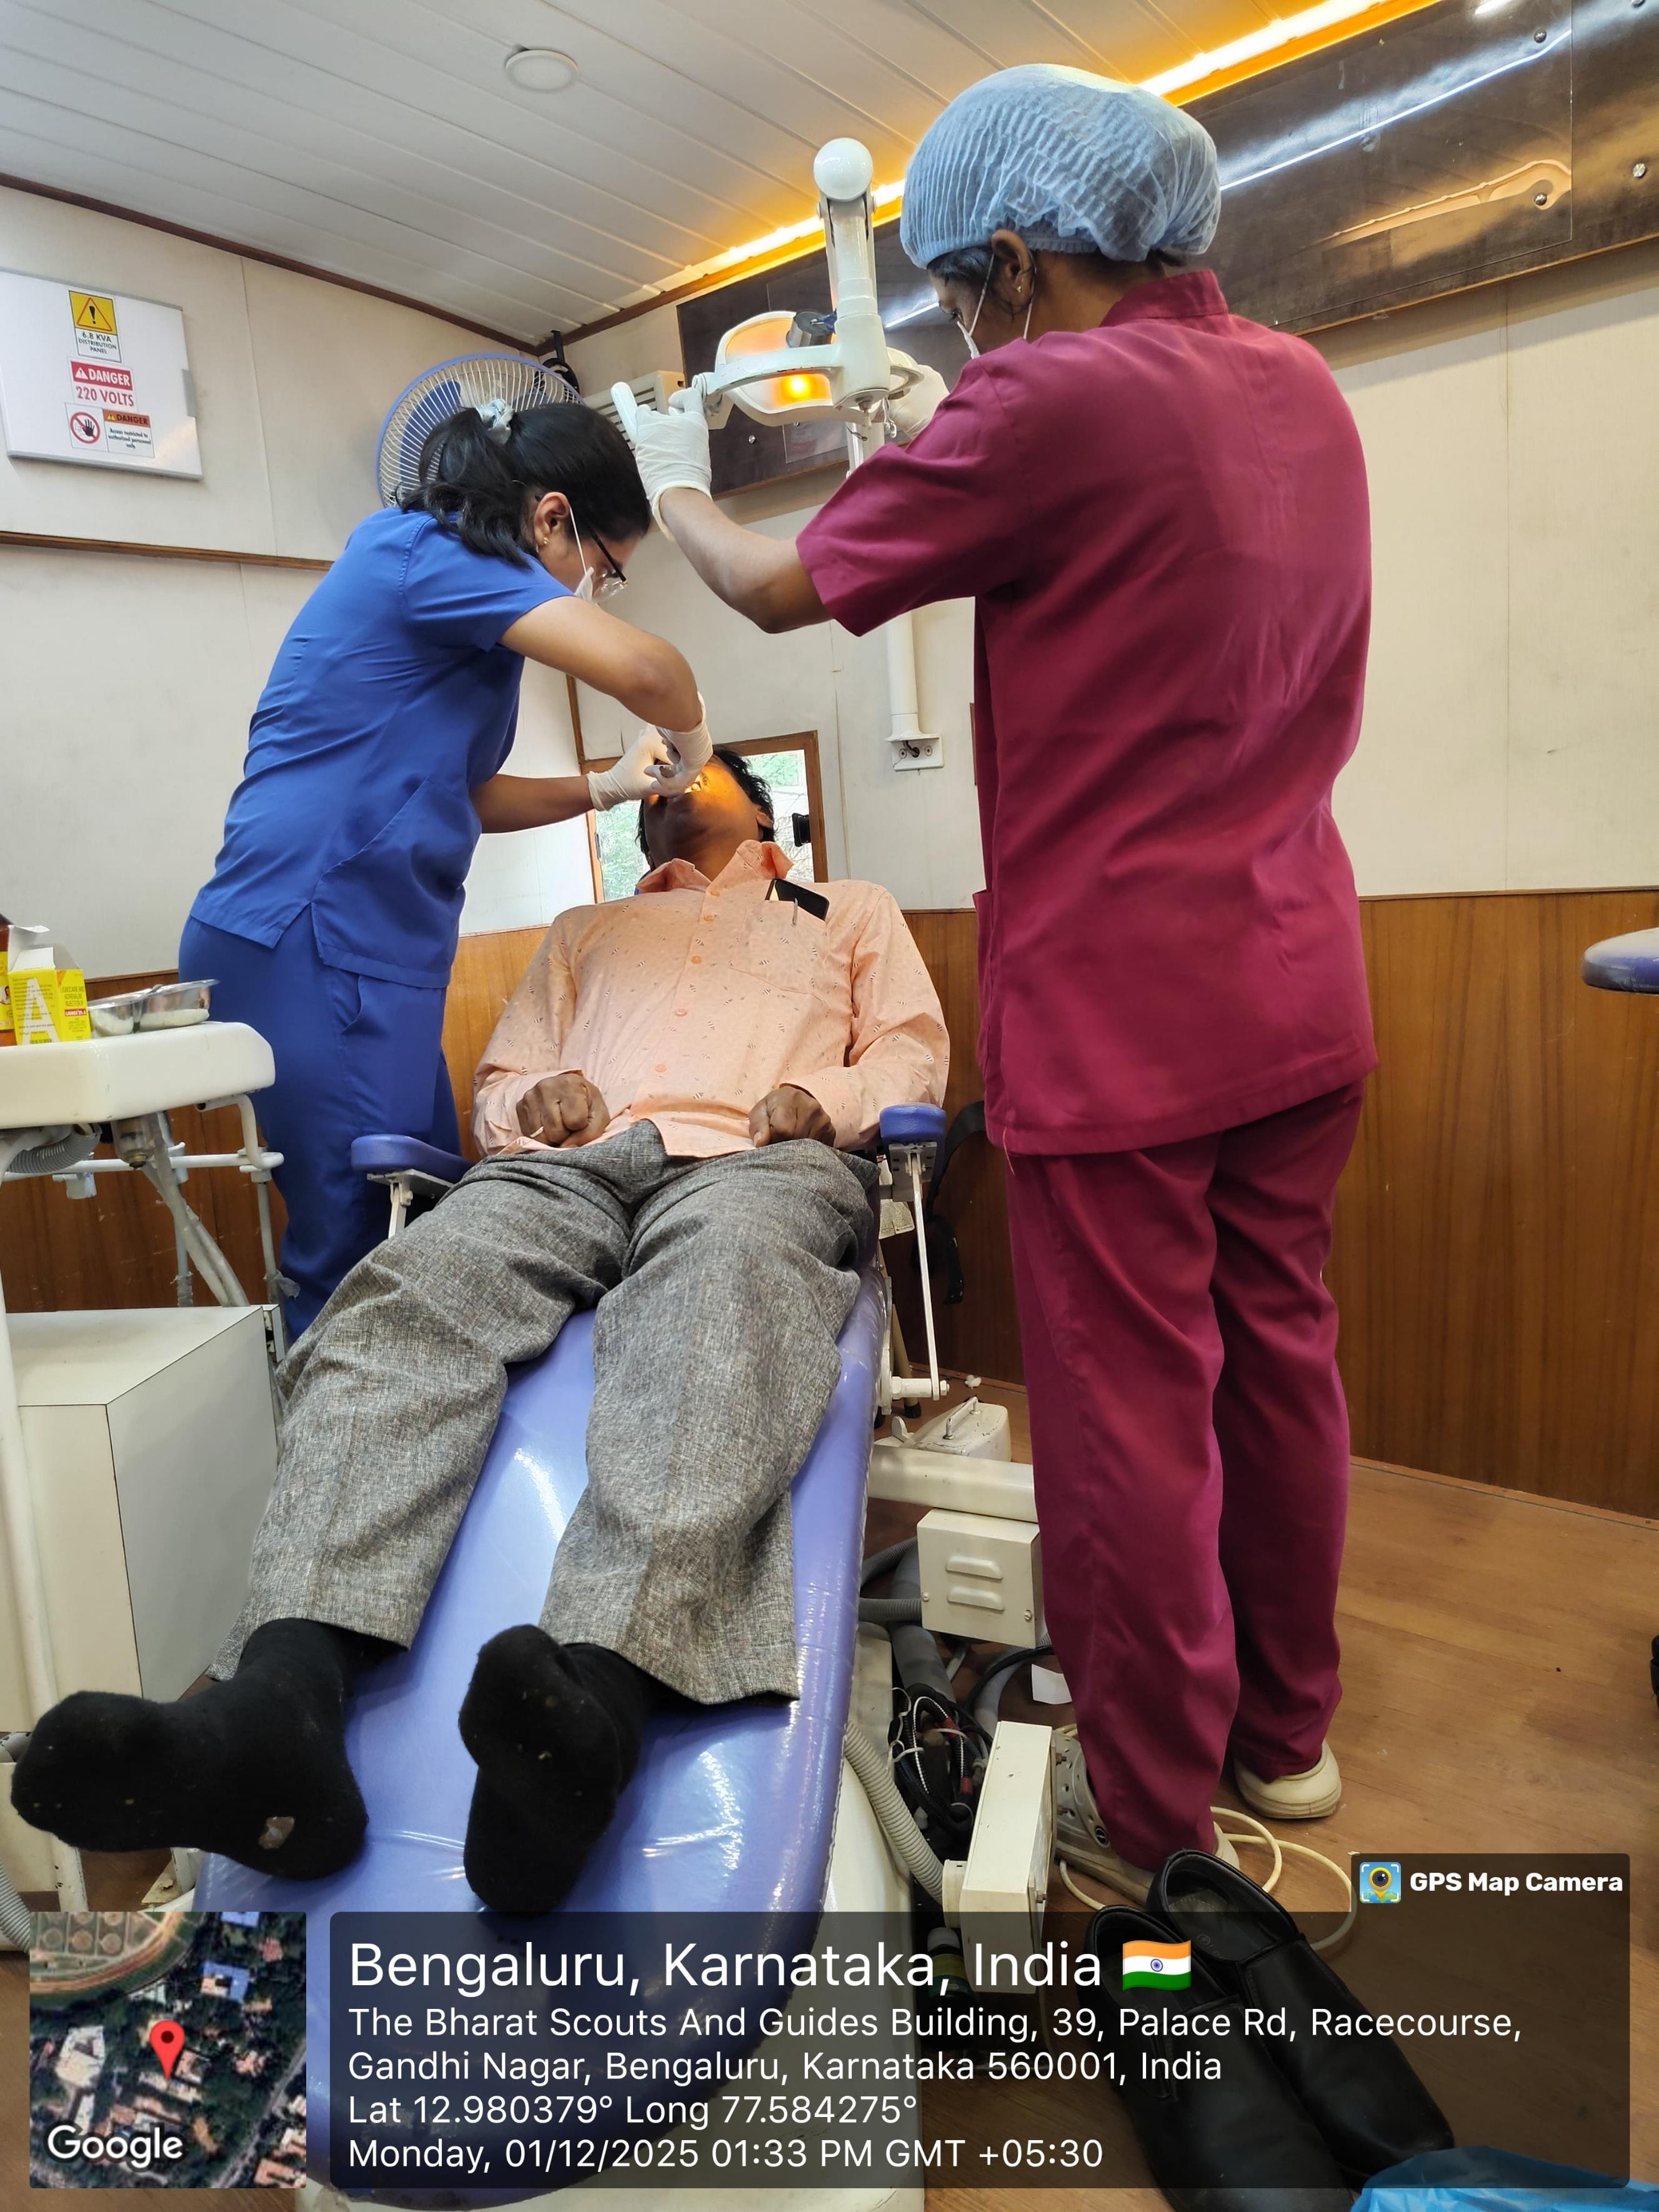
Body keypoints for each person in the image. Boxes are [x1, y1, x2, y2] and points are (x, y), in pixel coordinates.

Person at [613, 66, 1377, 1895]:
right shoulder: (1301, 388)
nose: (962, 320)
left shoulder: (1044, 400)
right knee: (1278, 1358)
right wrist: (956, 415)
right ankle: (1291, 1730)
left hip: (1128, 1014)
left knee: (1128, 1414)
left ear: (1018, 262)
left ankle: (1161, 1807)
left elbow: (778, 586)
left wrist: (668, 475)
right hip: (1299, 979)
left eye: (966, 288)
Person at [15, 752, 948, 1915]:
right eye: (652, 776)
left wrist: (828, 1103)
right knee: (406, 1294)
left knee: (715, 1316)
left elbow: (911, 1051)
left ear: (760, 808)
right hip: (567, 1168)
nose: (663, 779)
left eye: (694, 766)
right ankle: (282, 1710)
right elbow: (504, 1077)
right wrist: (531, 1100)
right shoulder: (585, 925)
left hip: (758, 1166)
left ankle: (594, 1702)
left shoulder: (846, 910)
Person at [182, 396, 714, 1334]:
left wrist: (604, 789)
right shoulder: (431, 554)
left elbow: (458, 794)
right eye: (607, 570)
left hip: (370, 949)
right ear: (551, 516)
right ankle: (339, 1474)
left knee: (428, 1211)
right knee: (358, 1244)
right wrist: (694, 740)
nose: (597, 590)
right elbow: (654, 677)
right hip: (312, 930)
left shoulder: (462, 606)